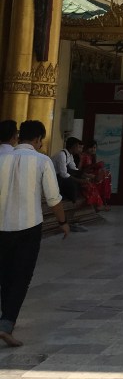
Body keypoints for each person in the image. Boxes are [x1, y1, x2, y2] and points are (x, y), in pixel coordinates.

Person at [0, 119, 70, 347]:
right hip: (28, 227)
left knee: (5, 274)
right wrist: (63, 221)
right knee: (21, 276)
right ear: (38, 139)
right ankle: (7, 322)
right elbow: (53, 198)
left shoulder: (2, 157)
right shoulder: (42, 161)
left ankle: (5, 320)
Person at [51, 137, 87, 231]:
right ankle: (73, 199)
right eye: (78, 147)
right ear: (74, 146)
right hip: (54, 178)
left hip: (61, 177)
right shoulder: (61, 155)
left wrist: (86, 176)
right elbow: (63, 174)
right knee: (72, 182)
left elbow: (74, 169)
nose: (79, 149)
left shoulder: (70, 155)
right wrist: (79, 181)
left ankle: (75, 199)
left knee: (76, 176)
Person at [79, 141, 110, 211]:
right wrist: (89, 176)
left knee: (106, 174)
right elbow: (79, 170)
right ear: (86, 148)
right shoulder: (83, 156)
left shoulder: (91, 157)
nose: (93, 149)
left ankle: (103, 202)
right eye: (91, 147)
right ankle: (100, 204)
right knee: (101, 177)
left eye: (95, 148)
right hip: (83, 176)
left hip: (91, 176)